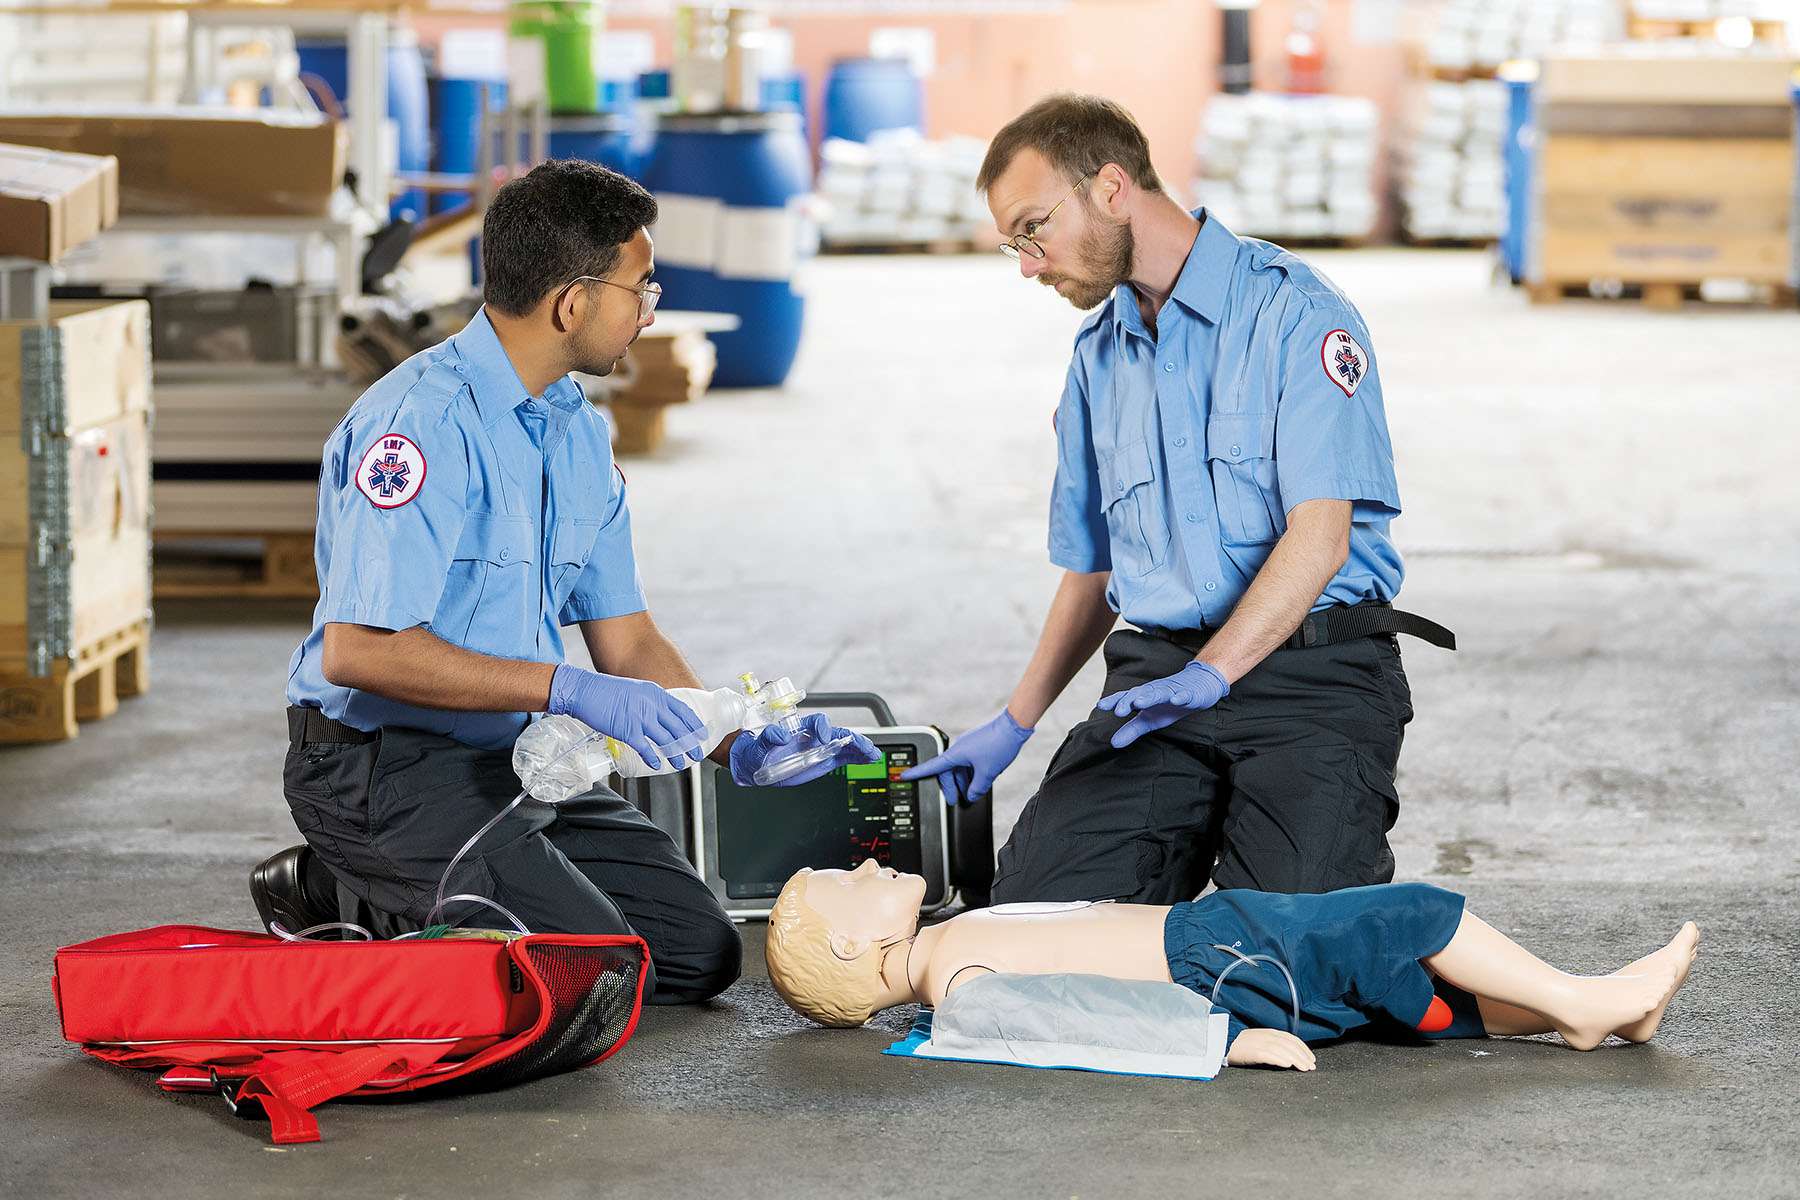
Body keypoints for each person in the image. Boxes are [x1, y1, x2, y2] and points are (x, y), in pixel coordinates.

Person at [252, 160, 878, 1004]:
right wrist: (567, 688)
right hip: (381, 769)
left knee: (698, 955)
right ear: (572, 303)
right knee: (593, 976)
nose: (648, 311)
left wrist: (734, 734)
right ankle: (336, 885)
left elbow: (629, 640)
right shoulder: (419, 427)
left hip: (517, 758)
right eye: (641, 288)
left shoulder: (576, 432)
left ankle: (425, 888)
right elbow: (359, 653)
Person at [904, 93, 1455, 905]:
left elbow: (1321, 537)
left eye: (1033, 229)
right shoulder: (1098, 358)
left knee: (1285, 949)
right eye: (1014, 244)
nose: (1028, 264)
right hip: (1159, 683)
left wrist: (1215, 672)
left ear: (1111, 188)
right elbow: (1094, 570)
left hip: (1316, 673)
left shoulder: (1295, 315)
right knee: (1033, 923)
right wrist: (1015, 721)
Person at [765, 860, 1701, 1070]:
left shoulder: (951, 944)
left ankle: (1603, 1008)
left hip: (1214, 937)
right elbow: (1090, 1025)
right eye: (851, 884)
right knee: (1405, 916)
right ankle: (1580, 1005)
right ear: (853, 946)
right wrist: (1223, 1041)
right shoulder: (959, 988)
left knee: (1383, 990)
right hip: (1216, 961)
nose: (868, 867)